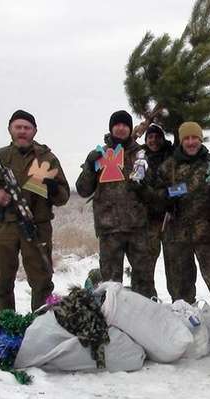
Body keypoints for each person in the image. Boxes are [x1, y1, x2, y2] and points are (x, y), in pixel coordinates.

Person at [0, 109, 70, 313]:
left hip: (37, 227)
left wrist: (52, 188)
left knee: (42, 280)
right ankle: (3, 326)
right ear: (10, 129)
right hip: (3, 228)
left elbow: (63, 196)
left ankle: (42, 326)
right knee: (2, 281)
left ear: (34, 131)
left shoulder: (47, 159)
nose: (22, 131)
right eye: (18, 127)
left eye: (27, 127)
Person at [156, 121, 210, 355]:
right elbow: (155, 196)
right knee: (180, 292)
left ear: (201, 139)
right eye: (187, 139)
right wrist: (167, 198)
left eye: (195, 138)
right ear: (181, 141)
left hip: (205, 235)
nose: (191, 142)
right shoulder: (169, 166)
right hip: (176, 237)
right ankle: (184, 337)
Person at [75, 110, 155, 298]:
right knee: (110, 286)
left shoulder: (141, 155)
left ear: (129, 128)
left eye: (125, 125)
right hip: (109, 230)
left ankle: (147, 322)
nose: (121, 128)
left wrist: (143, 181)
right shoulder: (100, 155)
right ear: (111, 128)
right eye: (117, 125)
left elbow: (153, 188)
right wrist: (89, 165)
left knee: (144, 282)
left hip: (138, 229)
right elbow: (83, 189)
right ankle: (112, 323)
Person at [139, 124, 195, 300]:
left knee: (176, 267)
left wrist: (167, 195)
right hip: (148, 221)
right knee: (145, 268)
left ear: (163, 139)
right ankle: (147, 304)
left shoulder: (173, 156)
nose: (153, 140)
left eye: (157, 137)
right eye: (150, 137)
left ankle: (182, 304)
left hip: (171, 219)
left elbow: (185, 185)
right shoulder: (139, 159)